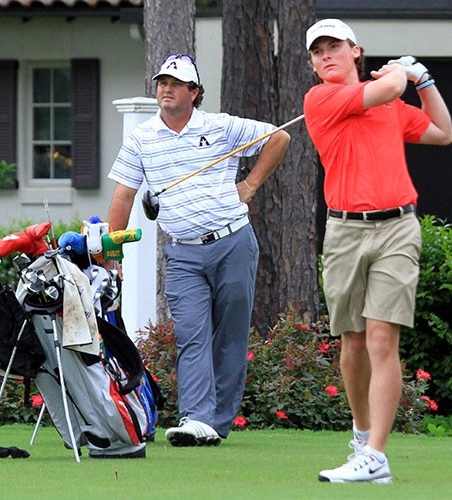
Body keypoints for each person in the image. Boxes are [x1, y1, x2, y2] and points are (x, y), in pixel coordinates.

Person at [106, 53, 290, 447]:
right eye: (161, 83)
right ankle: (195, 418)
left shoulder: (220, 127)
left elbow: (280, 137)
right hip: (183, 254)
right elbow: (122, 197)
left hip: (233, 243)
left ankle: (216, 424)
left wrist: (251, 185)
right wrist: (112, 254)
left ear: (195, 92)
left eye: (175, 84)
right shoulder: (142, 138)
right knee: (191, 334)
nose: (166, 89)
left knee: (230, 337)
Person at [303, 19, 452, 483]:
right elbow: (387, 90)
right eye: (318, 52)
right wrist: (402, 73)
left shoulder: (388, 101)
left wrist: (423, 80)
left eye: (335, 47)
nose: (326, 56)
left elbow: (442, 132)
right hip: (345, 231)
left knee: (382, 338)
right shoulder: (321, 99)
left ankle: (375, 454)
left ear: (356, 51)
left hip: (397, 228)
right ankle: (361, 432)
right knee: (351, 341)